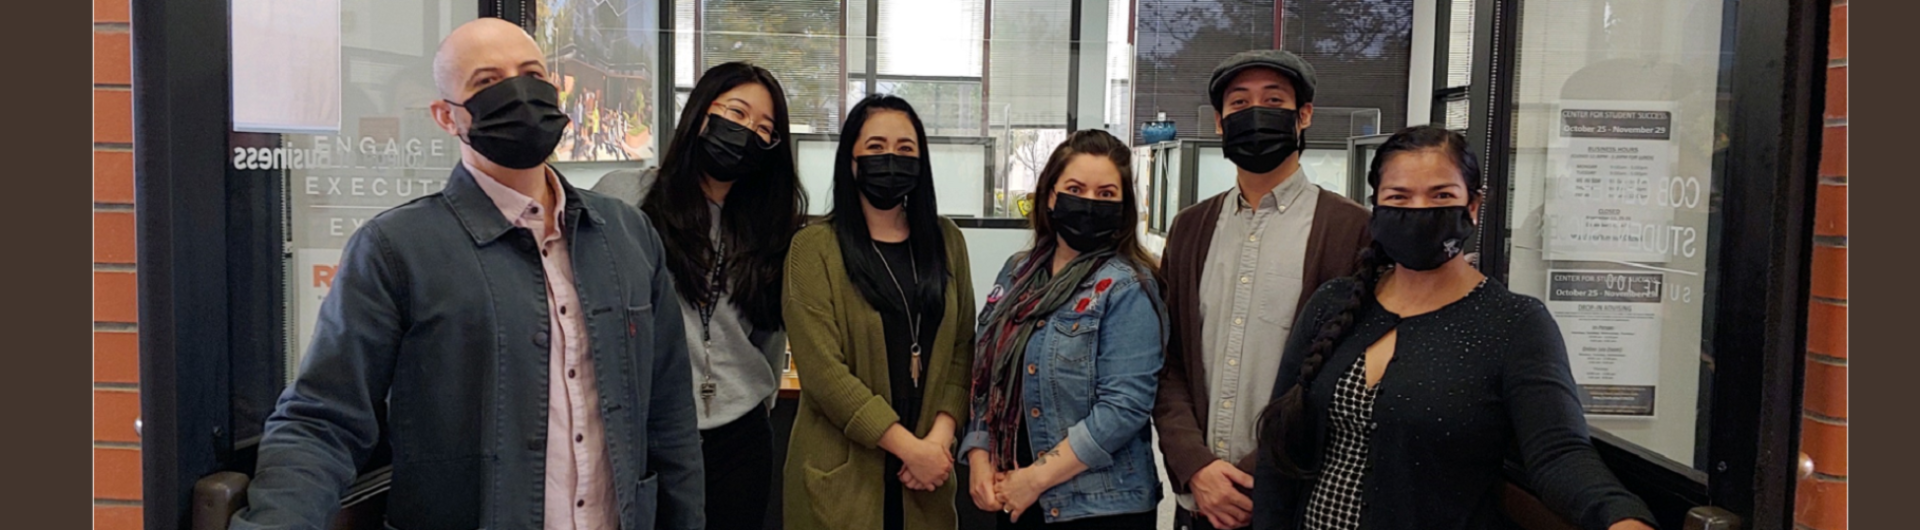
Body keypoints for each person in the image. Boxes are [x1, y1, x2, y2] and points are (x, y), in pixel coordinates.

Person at [229, 18, 703, 530]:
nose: (519, 93)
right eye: (487, 82)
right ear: (445, 116)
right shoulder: (396, 249)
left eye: (532, 73)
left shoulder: (628, 236)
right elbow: (323, 418)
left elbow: (669, 412)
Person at [1248, 126, 1657, 530]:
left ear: (1473, 206)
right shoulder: (1333, 302)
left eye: (1441, 195)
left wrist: (1618, 515)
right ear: (1377, 206)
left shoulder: (1514, 324)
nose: (1421, 210)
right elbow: (1278, 451)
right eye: (1399, 197)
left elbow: (1559, 452)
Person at [1152, 49, 1372, 530]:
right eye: (1239, 103)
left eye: (1274, 100)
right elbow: (1169, 362)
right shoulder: (1190, 229)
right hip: (1200, 504)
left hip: (1299, 502)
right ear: (1219, 122)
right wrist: (1197, 468)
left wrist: (1251, 476)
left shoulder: (1353, 230)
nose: (1256, 113)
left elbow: (1349, 375)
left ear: (1304, 115)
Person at [592, 61, 808, 530]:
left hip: (741, 435)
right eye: (737, 113)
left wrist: (753, 403)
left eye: (763, 128)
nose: (747, 131)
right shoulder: (627, 197)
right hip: (652, 433)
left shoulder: (764, 226)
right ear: (701, 112)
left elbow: (768, 335)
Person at [782, 94, 976, 530]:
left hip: (926, 475)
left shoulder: (947, 242)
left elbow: (963, 349)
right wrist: (909, 449)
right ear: (850, 159)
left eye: (906, 149)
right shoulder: (814, 248)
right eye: (875, 147)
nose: (891, 158)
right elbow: (824, 375)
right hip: (842, 479)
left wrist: (937, 443)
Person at [960, 130, 1167, 529]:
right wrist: (979, 454)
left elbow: (1123, 409)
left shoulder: (1129, 287)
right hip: (1015, 493)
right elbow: (986, 372)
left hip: (1098, 506)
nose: (1089, 203)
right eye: (1075, 188)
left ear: (1123, 207)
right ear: (1051, 195)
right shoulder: (1018, 272)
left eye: (1106, 194)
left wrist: (1033, 480)